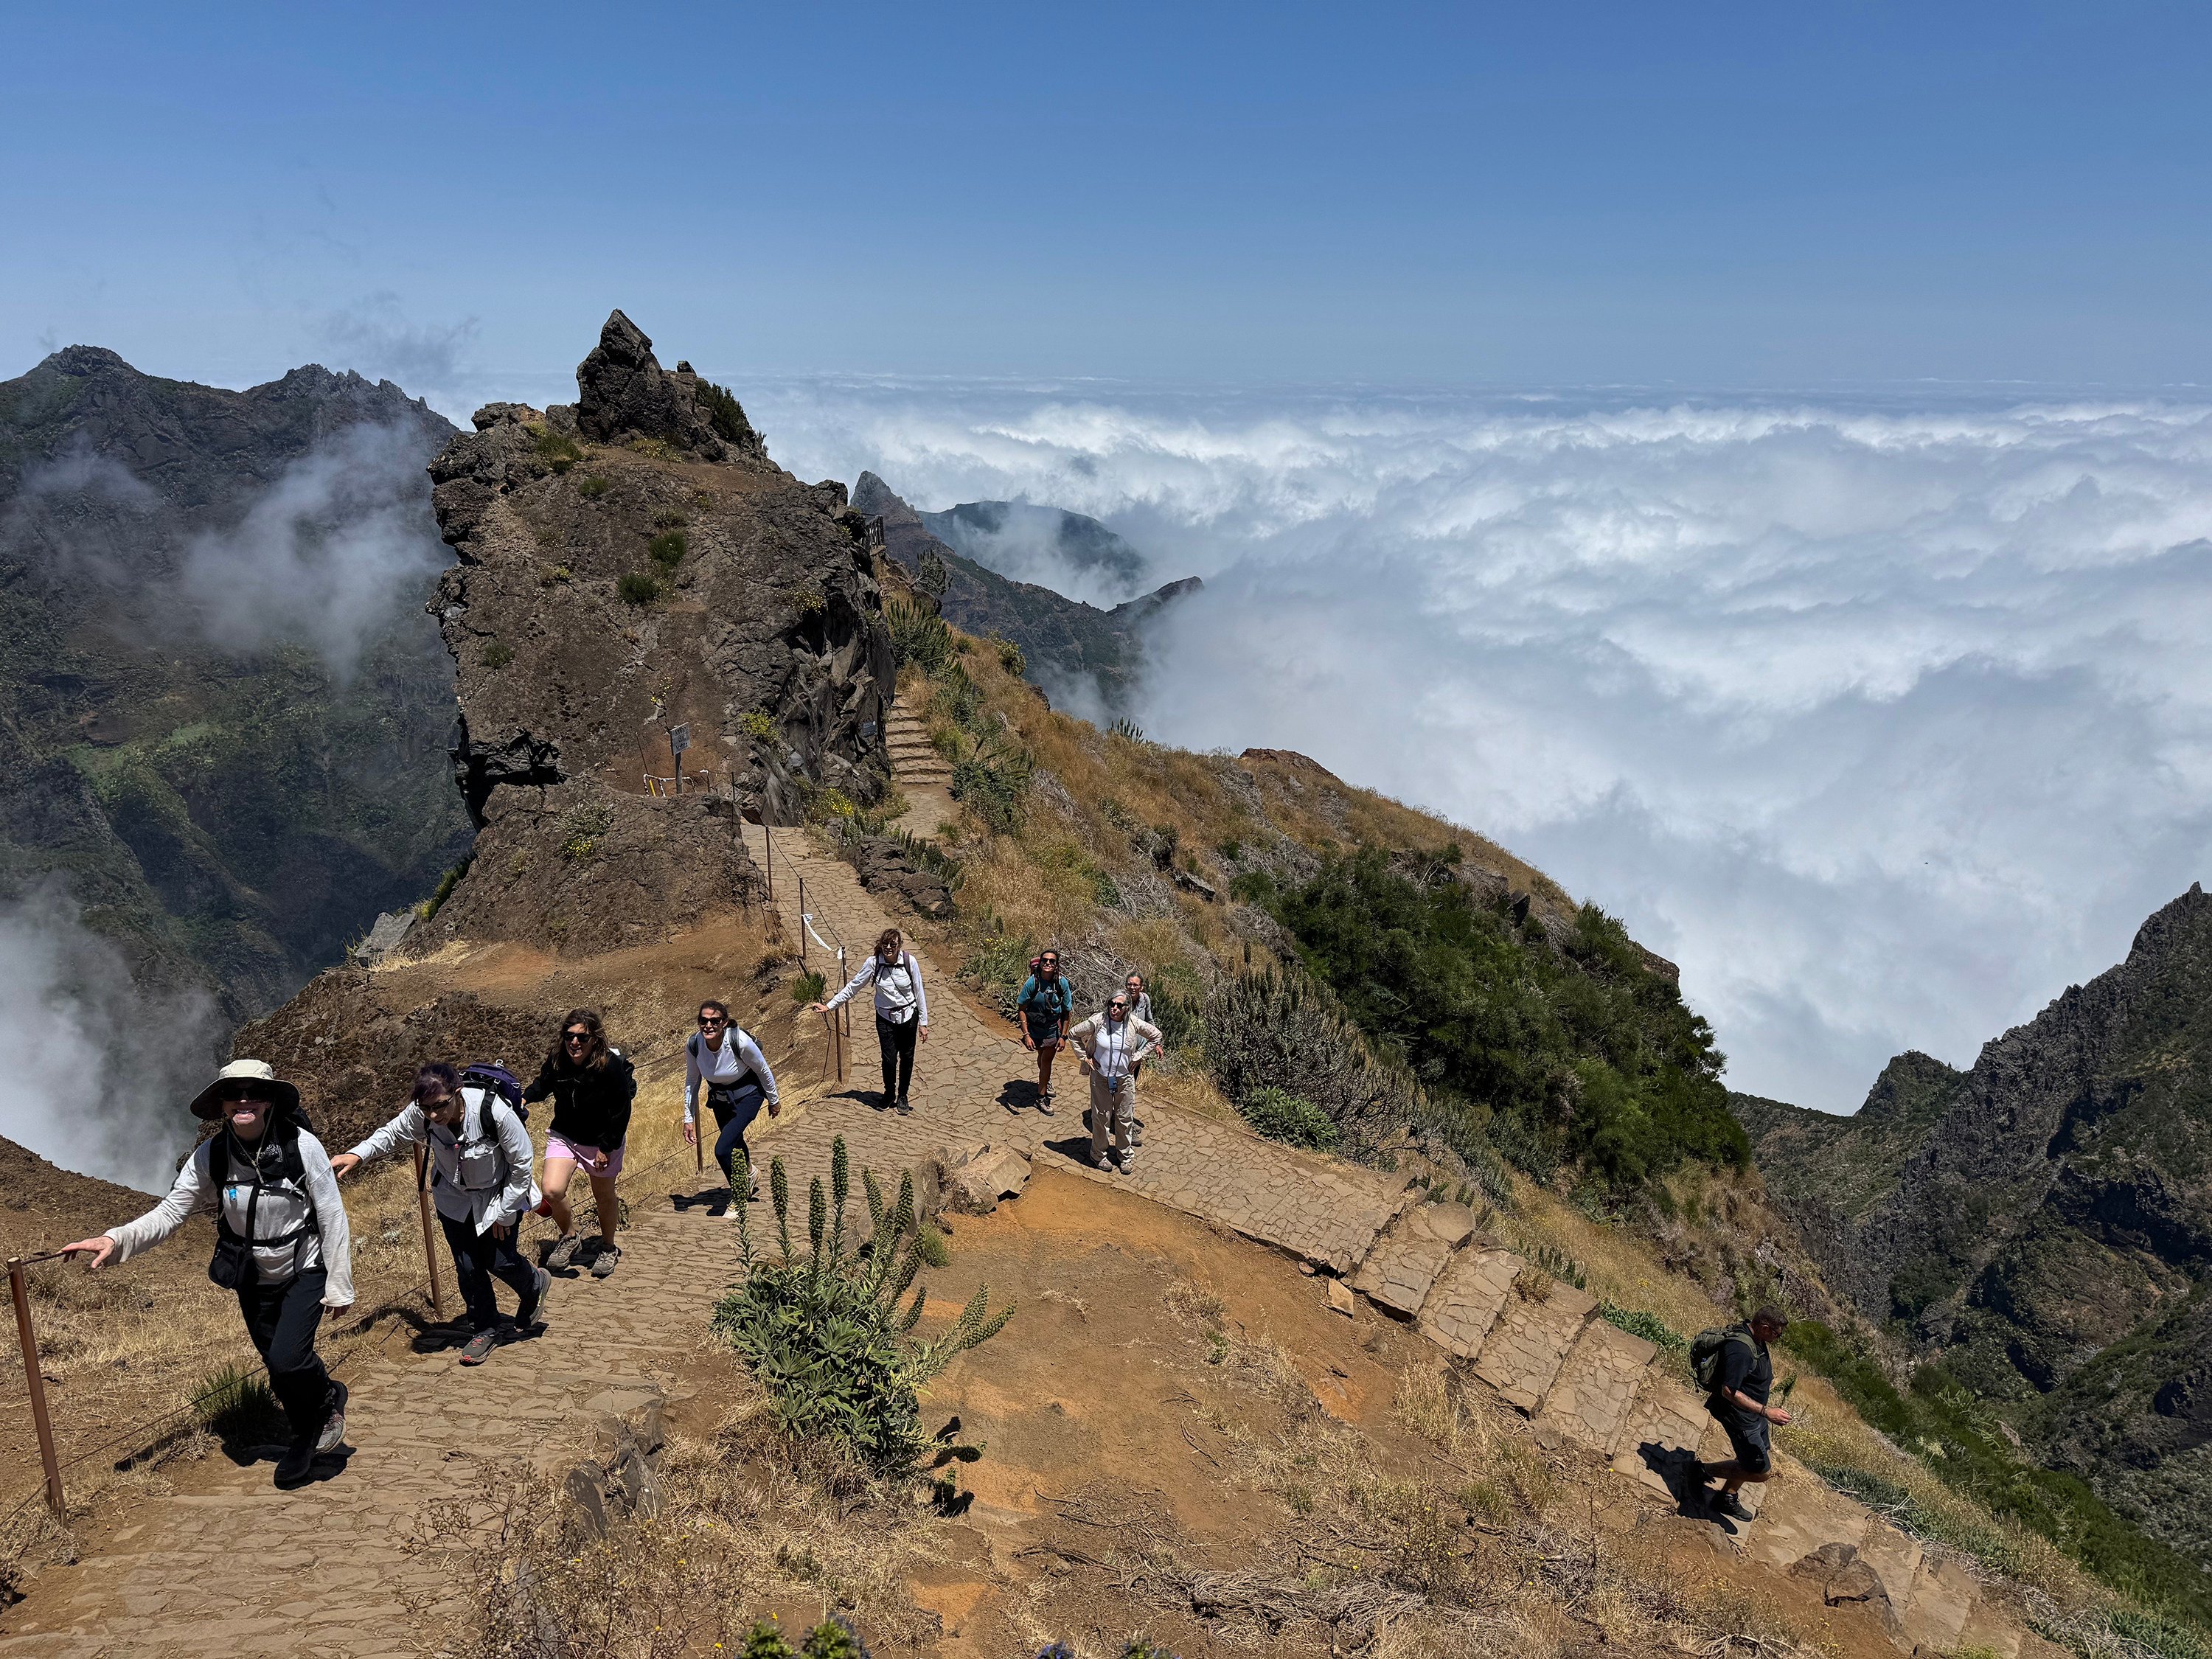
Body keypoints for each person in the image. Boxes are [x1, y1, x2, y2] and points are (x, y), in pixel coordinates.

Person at [61, 1059, 353, 1487]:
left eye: (255, 1092)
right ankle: (307, 1425)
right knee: (276, 1364)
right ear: (221, 1104)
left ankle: (321, 1409)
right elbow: (171, 1212)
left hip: (304, 1266)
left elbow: (331, 1214)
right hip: (251, 1275)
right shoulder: (212, 1155)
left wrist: (339, 1285)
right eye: (234, 1093)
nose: (244, 1100)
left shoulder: (302, 1146)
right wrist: (115, 1239)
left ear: (270, 1100)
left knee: (288, 1358)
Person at [330, 1062, 546, 1366]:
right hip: (452, 1199)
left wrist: (505, 1213)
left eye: (440, 1106)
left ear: (458, 1092)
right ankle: (485, 1329)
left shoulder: (494, 1112)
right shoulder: (423, 1113)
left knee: (500, 1260)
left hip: (496, 1197)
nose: (433, 1115)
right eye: (426, 1108)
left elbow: (522, 1165)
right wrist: (358, 1154)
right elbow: (391, 1133)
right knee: (468, 1267)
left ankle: (533, 1283)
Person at [523, 1009, 637, 1278]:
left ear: (594, 1039)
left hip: (601, 1142)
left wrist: (606, 1147)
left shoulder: (609, 1065)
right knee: (551, 1190)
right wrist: (524, 1098)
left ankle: (608, 1247)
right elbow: (543, 1084)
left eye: (582, 1037)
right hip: (565, 1135)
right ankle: (570, 1236)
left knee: (603, 1196)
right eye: (569, 1036)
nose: (574, 1042)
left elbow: (621, 1109)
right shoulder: (558, 1060)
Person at [811, 929, 929, 1114]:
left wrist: (923, 1022)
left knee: (907, 1057)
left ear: (899, 946)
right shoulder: (874, 963)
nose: (888, 948)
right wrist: (829, 1006)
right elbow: (853, 987)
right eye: (885, 944)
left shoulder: (910, 962)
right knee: (889, 1059)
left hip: (908, 1017)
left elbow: (919, 990)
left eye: (893, 944)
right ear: (880, 944)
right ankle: (889, 1093)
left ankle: (903, 1096)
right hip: (885, 1018)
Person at [1695, 1307, 1792, 1520]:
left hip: (1755, 1415)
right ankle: (1701, 1470)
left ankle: (1727, 1497)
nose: (1778, 1338)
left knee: (1754, 1456)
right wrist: (1767, 1412)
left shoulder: (1756, 1338)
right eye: (1777, 1334)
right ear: (1765, 1328)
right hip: (1741, 1418)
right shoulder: (1741, 1350)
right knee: (1761, 1471)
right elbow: (1728, 1391)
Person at [681, 998, 779, 1196]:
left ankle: (739, 1194)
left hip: (749, 1094)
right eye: (703, 1020)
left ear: (724, 1023)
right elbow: (692, 1081)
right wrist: (688, 1119)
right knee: (734, 1140)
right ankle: (750, 1173)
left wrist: (773, 1100)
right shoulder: (694, 1044)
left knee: (723, 1149)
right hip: (720, 1098)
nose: (708, 1026)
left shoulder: (740, 1041)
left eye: (715, 1021)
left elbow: (762, 1070)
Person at [1069, 990, 1164, 1173]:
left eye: (1119, 1005)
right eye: (1111, 1004)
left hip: (1125, 1079)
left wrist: (1140, 1056)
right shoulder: (1098, 1020)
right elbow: (1073, 1034)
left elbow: (1156, 1035)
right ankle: (1098, 1154)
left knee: (1124, 1118)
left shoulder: (1133, 1023)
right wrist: (1084, 1057)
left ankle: (1125, 1156)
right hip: (1100, 1078)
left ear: (1127, 1008)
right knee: (1101, 1118)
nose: (1114, 1008)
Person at [1015, 950, 1073, 1113]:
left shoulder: (1061, 983)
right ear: (1040, 964)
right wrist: (1026, 1035)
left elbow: (1067, 1011)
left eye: (1052, 961)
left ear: (1056, 965)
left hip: (1053, 1029)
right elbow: (1022, 1008)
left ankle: (1041, 1097)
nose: (1048, 963)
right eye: (1045, 960)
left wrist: (1063, 1036)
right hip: (1035, 1028)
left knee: (1046, 1060)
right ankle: (1045, 1081)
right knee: (1041, 1055)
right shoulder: (1032, 983)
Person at [1122, 972, 1154, 1147]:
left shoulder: (1145, 1000)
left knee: (1130, 1087)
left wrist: (1156, 1042)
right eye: (1130, 984)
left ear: (1141, 987)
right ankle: (1126, 1128)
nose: (1132, 988)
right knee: (1126, 1089)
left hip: (1137, 1054)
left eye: (1136, 985)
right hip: (1123, 1053)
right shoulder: (1121, 1001)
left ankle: (1123, 1118)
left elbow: (1149, 1021)